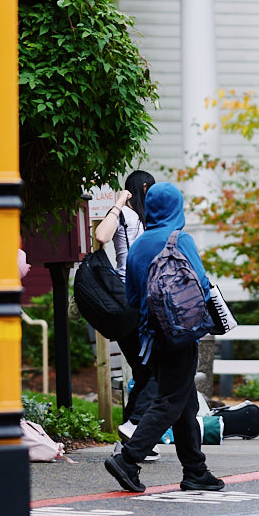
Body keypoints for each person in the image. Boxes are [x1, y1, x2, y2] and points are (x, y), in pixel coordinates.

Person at [105, 182, 225, 495]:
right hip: (180, 335)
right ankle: (128, 460)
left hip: (149, 336)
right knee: (170, 400)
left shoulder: (140, 244)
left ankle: (195, 470)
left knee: (183, 401)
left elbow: (131, 296)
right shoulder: (179, 239)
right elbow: (200, 283)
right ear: (177, 208)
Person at [97, 170, 159, 456]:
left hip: (134, 302)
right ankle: (135, 428)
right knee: (153, 369)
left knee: (145, 370)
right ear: (144, 188)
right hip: (129, 301)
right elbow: (101, 235)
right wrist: (119, 202)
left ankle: (133, 441)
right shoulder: (127, 216)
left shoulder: (143, 221)